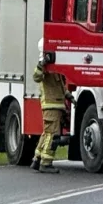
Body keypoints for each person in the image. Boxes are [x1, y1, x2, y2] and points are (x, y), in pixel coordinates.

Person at [32, 39, 69, 174]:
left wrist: (68, 96)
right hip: (50, 105)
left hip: (56, 104)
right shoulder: (45, 67)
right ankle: (46, 163)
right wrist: (42, 64)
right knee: (53, 135)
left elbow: (59, 86)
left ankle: (37, 158)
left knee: (47, 133)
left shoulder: (55, 68)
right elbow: (36, 77)